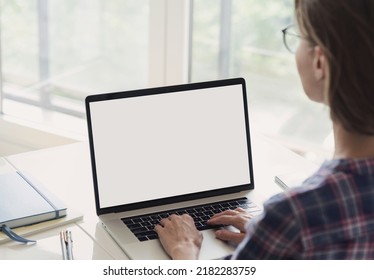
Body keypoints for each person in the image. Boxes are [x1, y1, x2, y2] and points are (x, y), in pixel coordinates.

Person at [154, 0, 374, 260]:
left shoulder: (294, 216)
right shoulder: (292, 223)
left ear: (320, 63)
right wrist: (270, 239)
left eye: (300, 36)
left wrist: (184, 250)